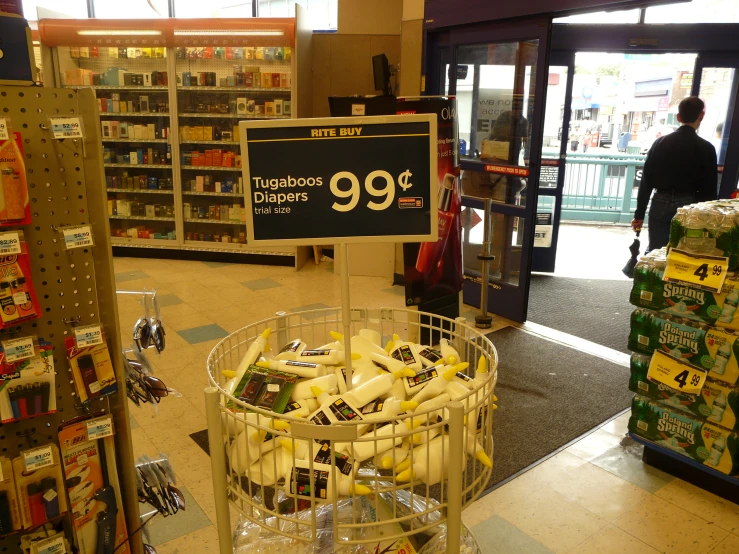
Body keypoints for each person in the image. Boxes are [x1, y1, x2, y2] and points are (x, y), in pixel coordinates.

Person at [631, 96, 718, 252]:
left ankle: (654, 274)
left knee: (656, 250)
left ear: (678, 117)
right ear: (701, 116)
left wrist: (639, 215)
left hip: (660, 202)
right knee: (682, 251)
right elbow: (709, 189)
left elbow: (646, 181)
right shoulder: (707, 148)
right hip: (688, 204)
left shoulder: (660, 143)